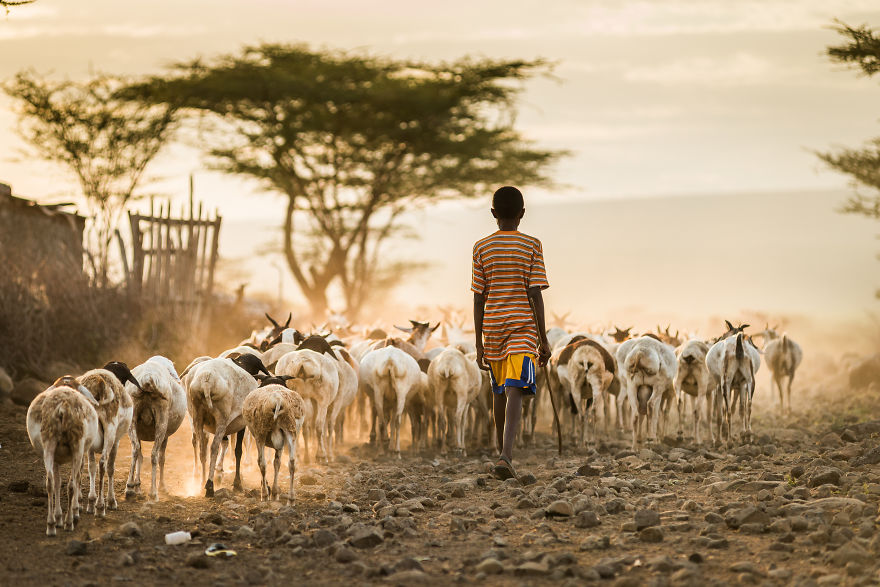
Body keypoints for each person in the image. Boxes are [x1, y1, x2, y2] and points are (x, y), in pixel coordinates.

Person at [472, 185, 551, 480]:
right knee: (514, 386)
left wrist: (478, 343)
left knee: (500, 389)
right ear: (522, 214)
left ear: (493, 213)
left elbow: (478, 297)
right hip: (523, 327)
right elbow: (535, 294)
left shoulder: (481, 248)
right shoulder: (532, 245)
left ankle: (501, 454)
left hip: (492, 327)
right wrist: (544, 340)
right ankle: (505, 455)